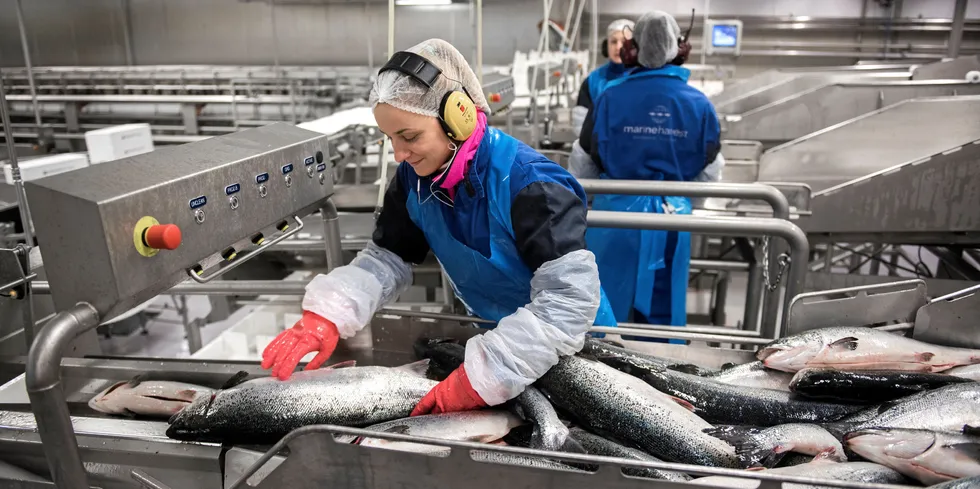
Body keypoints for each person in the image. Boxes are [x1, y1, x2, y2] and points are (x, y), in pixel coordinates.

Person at [262, 39, 616, 415]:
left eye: (410, 137)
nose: (399, 154)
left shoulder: (530, 185)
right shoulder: (413, 181)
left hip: (576, 350)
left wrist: (488, 374)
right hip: (499, 351)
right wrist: (330, 313)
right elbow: (387, 259)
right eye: (390, 139)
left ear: (458, 117)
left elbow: (568, 301)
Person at [569, 11, 724, 335]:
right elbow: (711, 173)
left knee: (605, 310)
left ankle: (602, 378)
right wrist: (679, 198)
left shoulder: (609, 97)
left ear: (633, 47)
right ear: (678, 47)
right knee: (661, 315)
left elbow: (582, 164)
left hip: (613, 222)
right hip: (671, 221)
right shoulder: (699, 104)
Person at [571, 18, 635, 137]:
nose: (618, 47)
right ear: (606, 46)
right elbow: (580, 125)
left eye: (624, 42)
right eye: (613, 42)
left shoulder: (642, 77)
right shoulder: (593, 80)